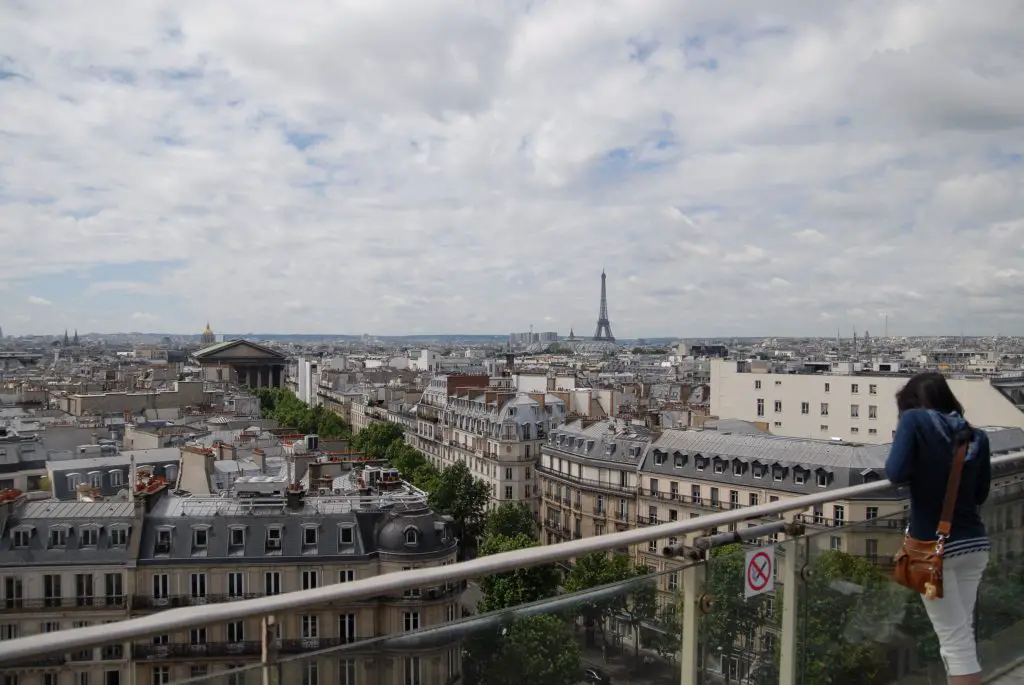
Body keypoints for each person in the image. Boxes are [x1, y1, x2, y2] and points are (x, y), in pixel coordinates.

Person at [885, 371, 991, 685]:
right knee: (961, 634)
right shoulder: (977, 436)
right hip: (974, 546)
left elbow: (895, 471)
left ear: (913, 403)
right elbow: (981, 493)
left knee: (955, 641)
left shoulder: (915, 421)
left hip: (932, 554)